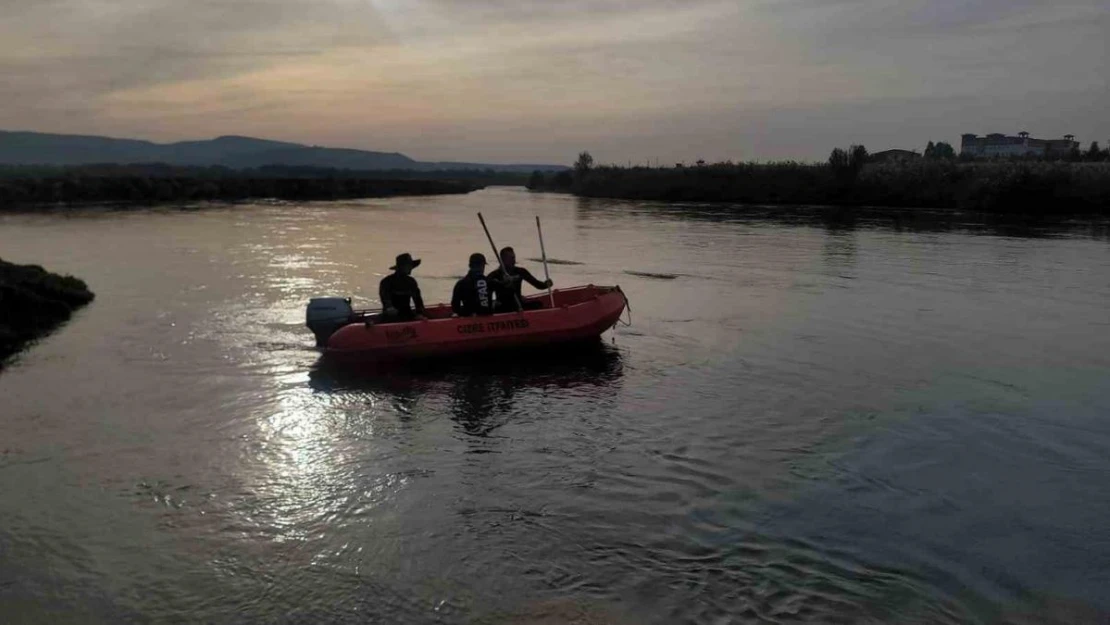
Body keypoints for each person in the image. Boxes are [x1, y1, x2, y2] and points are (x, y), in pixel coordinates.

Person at [487, 246, 553, 312]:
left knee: (538, 304)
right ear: (502, 260)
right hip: (503, 306)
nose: (514, 261)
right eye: (511, 258)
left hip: (518, 305)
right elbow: (487, 289)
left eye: (514, 258)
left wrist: (547, 284)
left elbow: (538, 285)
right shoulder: (495, 275)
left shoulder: (520, 271)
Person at [378, 252, 425, 322]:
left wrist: (419, 313)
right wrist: (389, 307)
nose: (410, 268)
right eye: (408, 266)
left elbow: (418, 301)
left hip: (407, 314)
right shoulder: (387, 281)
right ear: (401, 267)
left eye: (411, 266)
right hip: (390, 316)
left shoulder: (411, 282)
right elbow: (385, 298)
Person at [452, 253, 494, 317]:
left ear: (469, 265)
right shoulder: (489, 281)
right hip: (488, 319)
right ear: (483, 266)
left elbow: (455, 307)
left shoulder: (461, 284)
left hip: (469, 320)